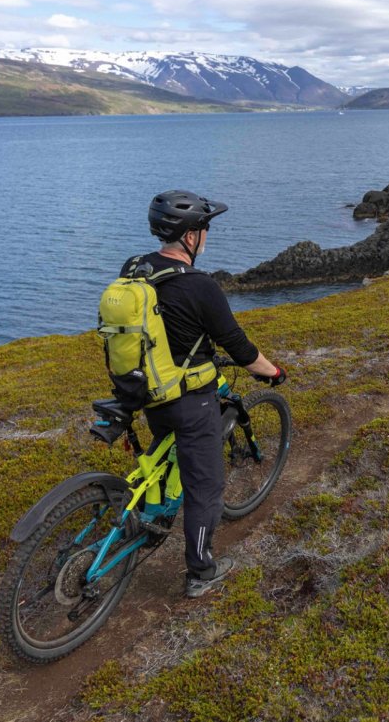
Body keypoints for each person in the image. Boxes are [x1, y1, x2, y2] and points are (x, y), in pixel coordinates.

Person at [128, 189, 286, 598]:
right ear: (191, 236)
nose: (206, 237)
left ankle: (151, 519)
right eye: (204, 229)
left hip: (149, 392)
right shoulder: (200, 285)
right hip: (189, 399)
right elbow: (239, 347)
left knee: (166, 454)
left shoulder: (135, 270)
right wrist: (272, 372)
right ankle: (202, 572)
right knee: (207, 486)